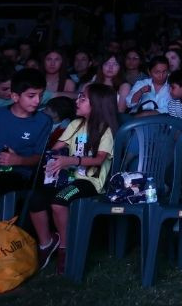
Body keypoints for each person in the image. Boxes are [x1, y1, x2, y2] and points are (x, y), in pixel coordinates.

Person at [29, 83, 118, 275]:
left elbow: (99, 159)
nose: (76, 101)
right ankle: (46, 243)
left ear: (96, 104)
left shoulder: (106, 130)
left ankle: (65, 248)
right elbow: (55, 148)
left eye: (82, 98)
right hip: (68, 177)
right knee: (35, 198)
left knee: (59, 201)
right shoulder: (75, 124)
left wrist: (71, 159)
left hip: (90, 182)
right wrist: (50, 157)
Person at [0, 69, 54, 235]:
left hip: (19, 174)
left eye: (40, 95)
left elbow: (38, 158)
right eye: (31, 96)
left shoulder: (43, 121)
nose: (37, 101)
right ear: (15, 96)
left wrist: (18, 160)